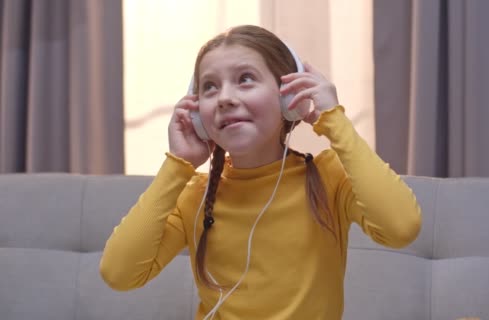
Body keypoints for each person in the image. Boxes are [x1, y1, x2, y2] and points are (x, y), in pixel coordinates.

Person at [99, 25, 421, 320]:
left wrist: (334, 120)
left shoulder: (329, 177)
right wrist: (177, 166)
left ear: (288, 98)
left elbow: (401, 226)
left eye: (245, 79)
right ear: (199, 116)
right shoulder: (193, 194)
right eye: (210, 87)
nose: (225, 98)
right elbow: (119, 273)